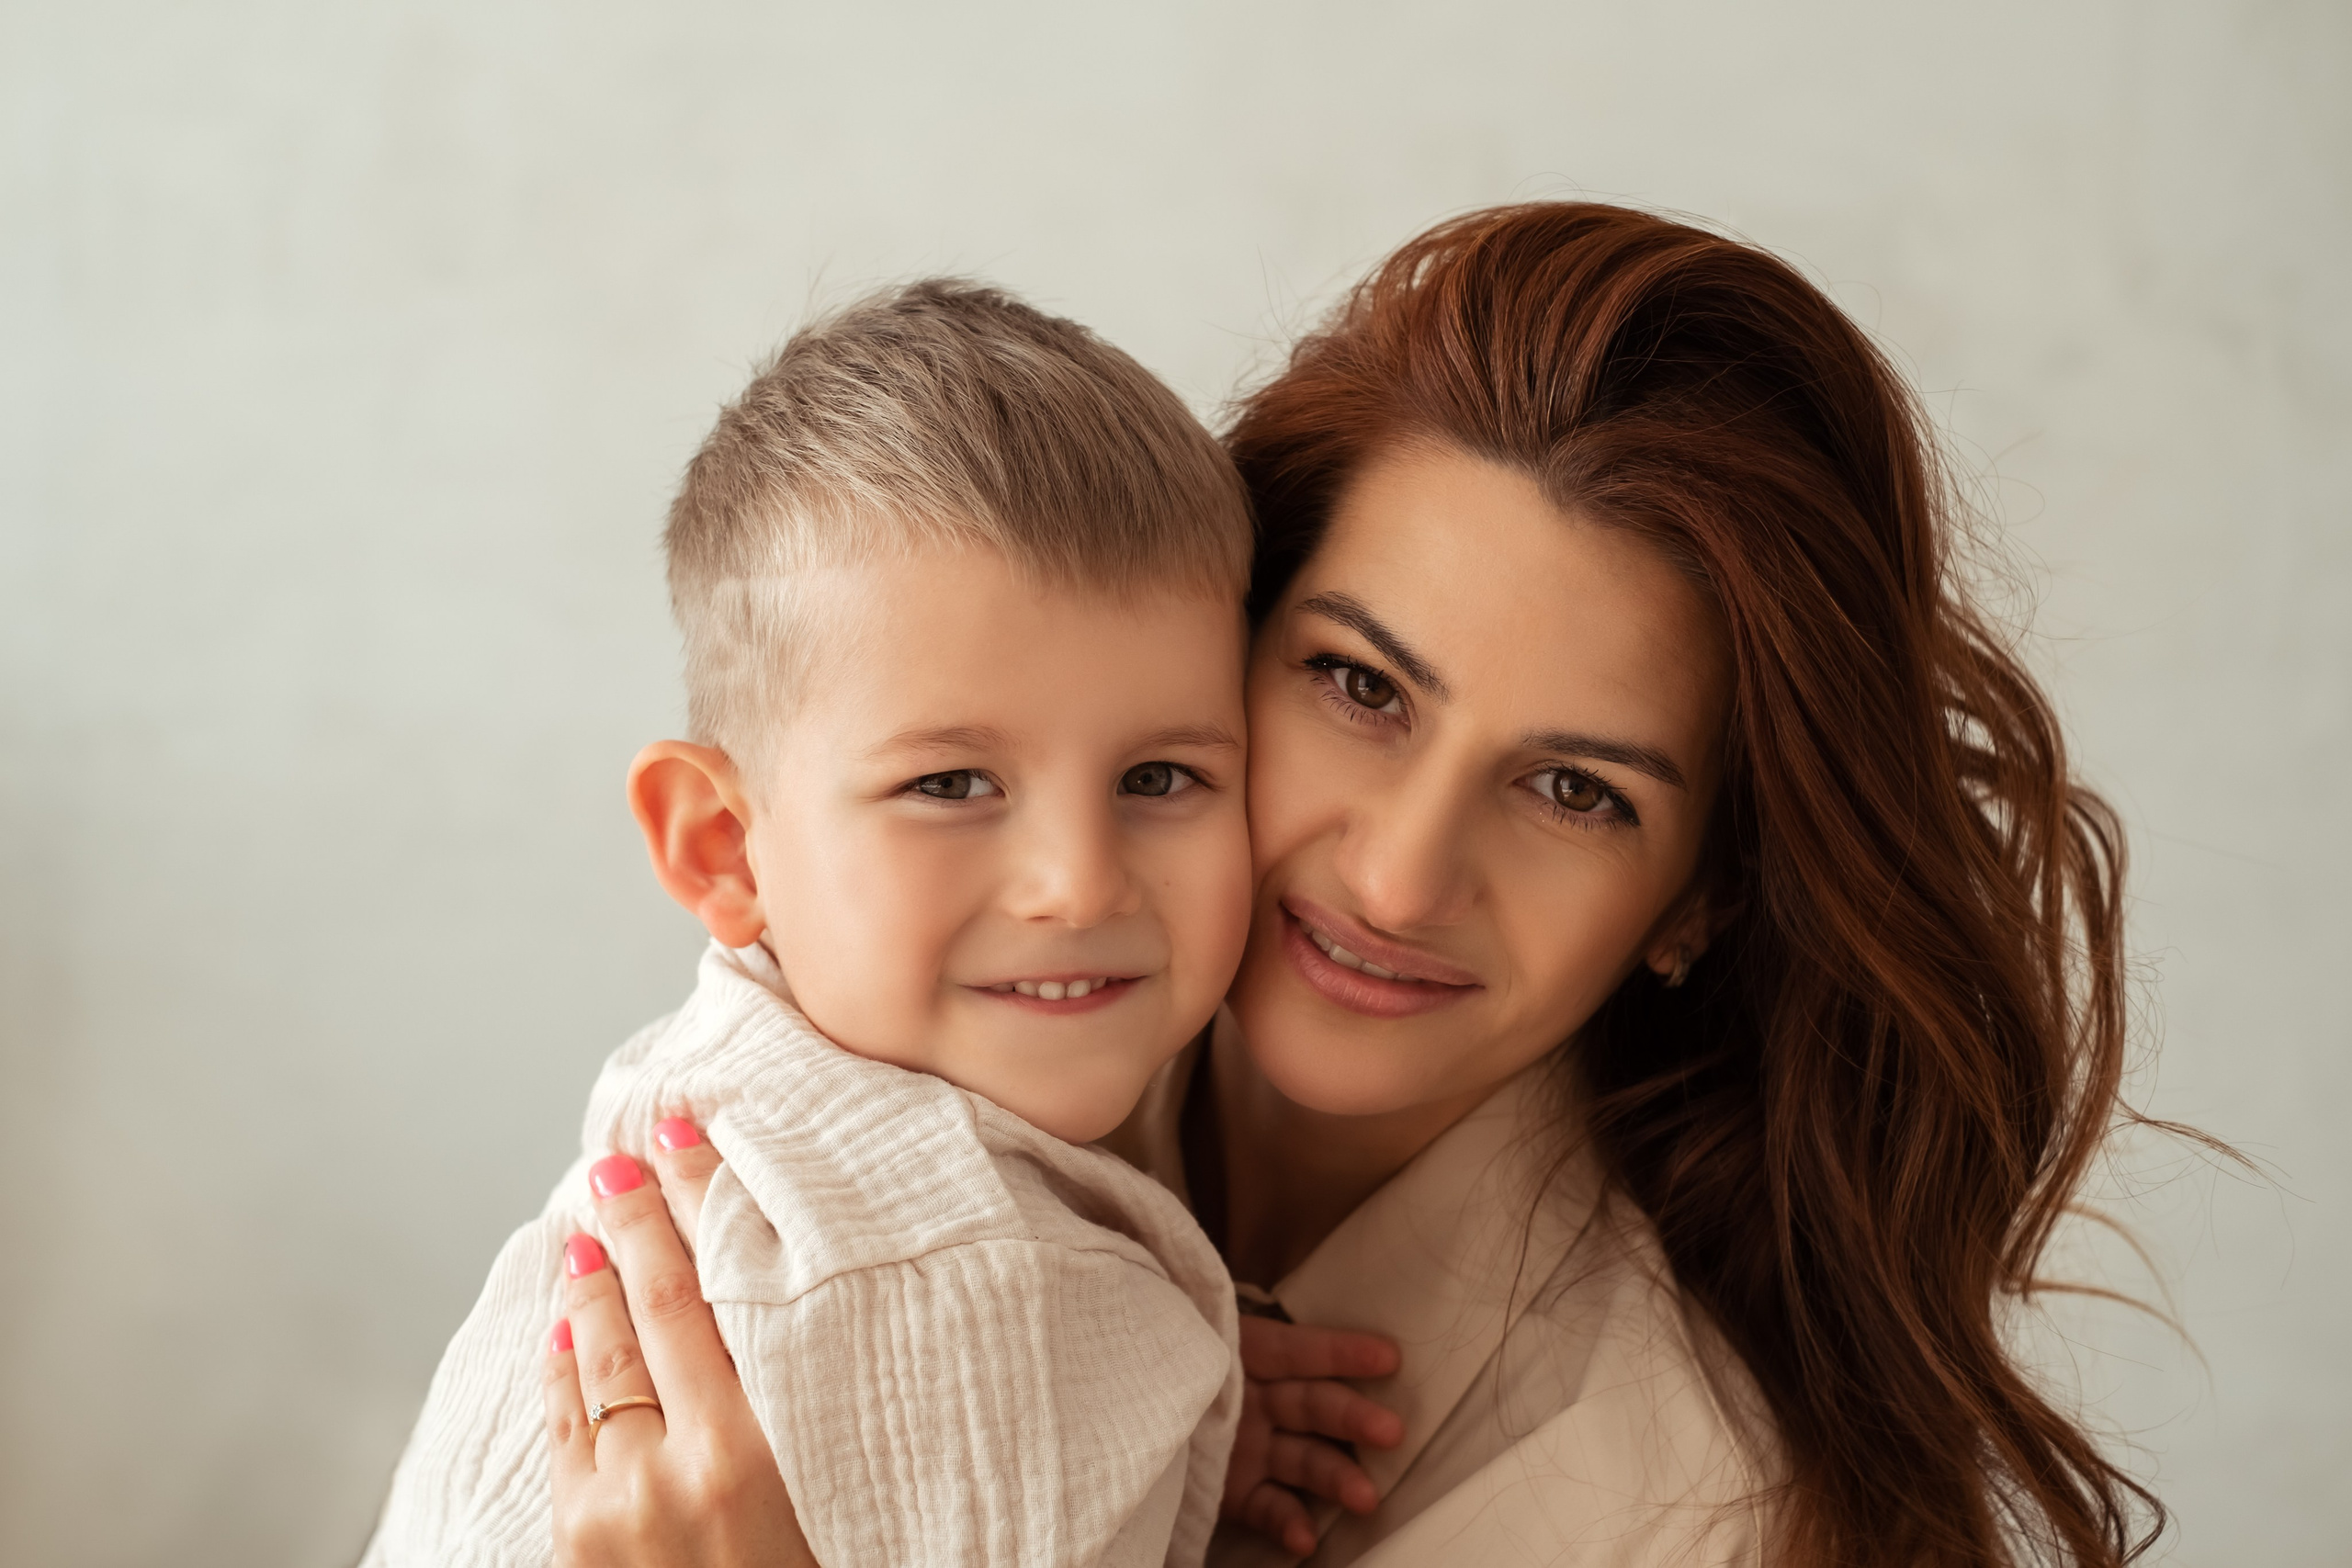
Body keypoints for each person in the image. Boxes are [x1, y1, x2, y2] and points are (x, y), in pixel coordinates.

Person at [535, 203, 2162, 1567]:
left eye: (1576, 791)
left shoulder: (1676, 1502)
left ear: (1698, 900)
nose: (1398, 873)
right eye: (1361, 689)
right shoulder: (938, 1042)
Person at [363, 280, 1276, 1568]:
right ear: (723, 846)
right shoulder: (982, 1293)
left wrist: (1176, 1395)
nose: (1078, 885)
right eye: (951, 786)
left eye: (1160, 780)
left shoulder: (719, 1118)